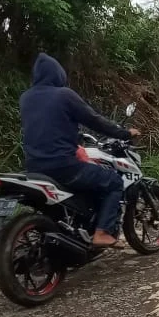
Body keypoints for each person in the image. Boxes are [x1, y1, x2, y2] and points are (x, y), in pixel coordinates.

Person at [19, 53, 140, 248]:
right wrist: (124, 133)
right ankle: (102, 232)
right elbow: (94, 120)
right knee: (114, 182)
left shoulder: (26, 98)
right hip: (64, 166)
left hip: (34, 168)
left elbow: (48, 125)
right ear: (58, 74)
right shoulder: (64, 95)